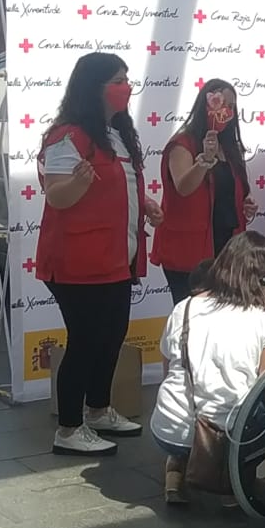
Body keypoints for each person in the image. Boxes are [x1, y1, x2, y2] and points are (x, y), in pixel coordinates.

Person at [37, 52, 163, 457]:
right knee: (86, 341)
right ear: (94, 87)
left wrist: (145, 204)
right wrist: (77, 184)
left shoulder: (119, 134)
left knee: (111, 337)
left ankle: (98, 408)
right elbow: (57, 195)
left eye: (127, 79)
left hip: (116, 259)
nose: (126, 87)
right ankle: (69, 428)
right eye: (117, 80)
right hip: (78, 261)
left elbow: (120, 184)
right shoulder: (67, 135)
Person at [150, 231, 265, 505]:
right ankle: (235, 482)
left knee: (190, 394)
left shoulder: (185, 308)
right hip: (228, 436)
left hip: (169, 428)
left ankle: (175, 471)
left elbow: (169, 368)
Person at [151, 81, 256, 303]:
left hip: (227, 246)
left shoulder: (230, 146)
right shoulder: (183, 143)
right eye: (220, 103)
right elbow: (183, 187)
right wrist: (205, 161)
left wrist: (244, 202)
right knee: (192, 315)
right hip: (189, 249)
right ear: (205, 104)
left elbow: (229, 189)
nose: (225, 110)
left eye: (231, 105)